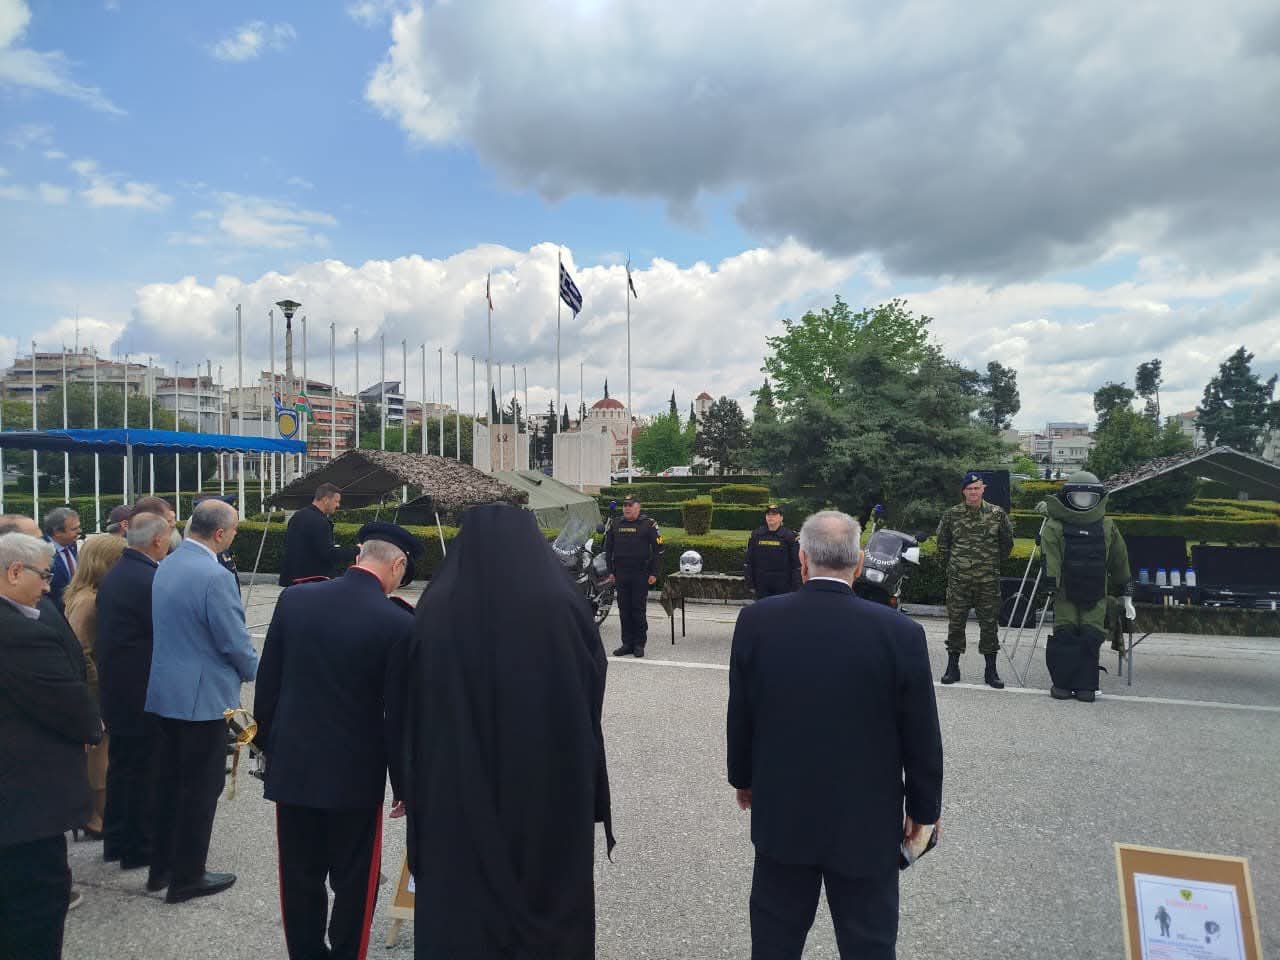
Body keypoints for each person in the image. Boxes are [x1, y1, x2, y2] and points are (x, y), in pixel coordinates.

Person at [400, 504, 614, 958]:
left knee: (462, 889)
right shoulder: (561, 603)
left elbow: (411, 697)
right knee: (547, 882)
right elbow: (593, 681)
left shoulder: (437, 605)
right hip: (547, 775)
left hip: (455, 775)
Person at [727, 511, 943, 960]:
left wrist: (743, 778)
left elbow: (743, 711)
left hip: (783, 814)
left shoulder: (757, 621)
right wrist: (924, 811)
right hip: (867, 822)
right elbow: (921, 733)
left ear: (802, 560)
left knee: (774, 941)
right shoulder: (901, 633)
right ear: (859, 563)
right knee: (869, 944)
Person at [255, 522, 421, 960]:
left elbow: (268, 683)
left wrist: (267, 748)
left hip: (293, 764)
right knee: (355, 880)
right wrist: (404, 784)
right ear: (397, 564)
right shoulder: (398, 622)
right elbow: (399, 715)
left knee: (299, 875)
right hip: (355, 772)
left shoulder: (297, 598)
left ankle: (306, 953)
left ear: (359, 553)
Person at [145, 499, 258, 903]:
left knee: (170, 784)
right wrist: (257, 671)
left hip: (167, 690)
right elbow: (233, 639)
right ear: (221, 533)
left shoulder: (168, 563)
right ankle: (188, 877)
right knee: (200, 788)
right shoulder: (214, 575)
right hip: (202, 697)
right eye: (235, 529)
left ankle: (161, 869)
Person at [0, 532, 102, 960]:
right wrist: (92, 727)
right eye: (43, 576)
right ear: (14, 572)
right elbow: (71, 707)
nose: (47, 586)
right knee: (35, 909)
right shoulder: (19, 633)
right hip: (23, 805)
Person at [95, 510, 172, 871]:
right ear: (157, 540)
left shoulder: (119, 572)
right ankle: (140, 847)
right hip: (141, 691)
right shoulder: (148, 579)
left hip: (119, 689)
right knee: (144, 771)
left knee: (123, 768)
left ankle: (117, 839)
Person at [1040, 471, 1133, 703]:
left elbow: (1119, 559)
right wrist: (1050, 583)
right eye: (1077, 496)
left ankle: (1086, 685)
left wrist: (1125, 589)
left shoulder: (1107, 526)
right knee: (1066, 633)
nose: (1083, 501)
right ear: (1067, 497)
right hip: (1065, 592)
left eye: (1088, 497)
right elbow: (1050, 557)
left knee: (1092, 635)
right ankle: (1062, 683)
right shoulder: (1055, 526)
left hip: (1096, 591)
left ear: (1097, 498)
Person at [63, 534, 127, 840]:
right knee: (99, 758)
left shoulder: (85, 594)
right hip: (95, 691)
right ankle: (94, 814)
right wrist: (99, 690)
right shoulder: (88, 601)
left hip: (97, 687)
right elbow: (82, 650)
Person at [936, 471, 1014, 689]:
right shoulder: (952, 515)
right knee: (956, 624)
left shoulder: (997, 514)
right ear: (963, 491)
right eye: (969, 489)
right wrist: (953, 568)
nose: (973, 492)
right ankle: (952, 668)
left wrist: (990, 564)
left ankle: (991, 671)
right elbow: (942, 544)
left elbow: (1007, 543)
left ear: (983, 489)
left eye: (977, 488)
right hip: (959, 581)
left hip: (987, 582)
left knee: (989, 626)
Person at [604, 495, 664, 657]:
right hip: (621, 573)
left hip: (640, 574)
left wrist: (654, 572)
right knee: (624, 610)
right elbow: (608, 549)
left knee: (638, 610)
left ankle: (639, 644)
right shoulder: (616, 524)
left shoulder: (649, 524)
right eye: (625, 505)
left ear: (638, 507)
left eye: (630, 505)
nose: (627, 508)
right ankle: (627, 643)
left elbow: (659, 549)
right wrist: (610, 571)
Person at [278, 482, 352, 586]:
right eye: (336, 501)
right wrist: (356, 550)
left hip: (292, 580)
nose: (338, 505)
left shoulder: (298, 515)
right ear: (326, 500)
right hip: (311, 581)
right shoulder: (319, 521)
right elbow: (328, 553)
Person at [744, 505, 801, 599]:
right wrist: (749, 582)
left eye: (774, 514)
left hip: (783, 585)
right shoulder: (757, 535)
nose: (770, 517)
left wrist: (795, 585)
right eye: (768, 515)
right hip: (761, 583)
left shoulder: (789, 536)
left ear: (781, 518)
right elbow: (749, 560)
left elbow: (796, 564)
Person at [42, 507, 82, 612]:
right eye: (74, 529)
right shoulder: (41, 551)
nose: (79, 531)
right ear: (57, 532)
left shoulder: (71, 544)